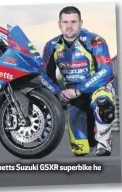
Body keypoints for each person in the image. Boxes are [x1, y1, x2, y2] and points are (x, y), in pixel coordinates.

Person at [40, 6, 116, 156]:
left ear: (81, 23)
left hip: (97, 88)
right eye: (65, 22)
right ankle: (89, 135)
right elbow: (44, 76)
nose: (69, 26)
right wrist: (58, 92)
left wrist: (80, 89)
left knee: (103, 101)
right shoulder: (51, 46)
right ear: (59, 24)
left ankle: (104, 143)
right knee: (80, 150)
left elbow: (106, 71)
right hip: (73, 97)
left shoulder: (95, 41)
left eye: (73, 22)